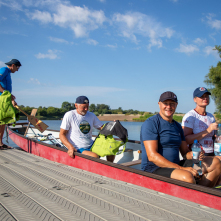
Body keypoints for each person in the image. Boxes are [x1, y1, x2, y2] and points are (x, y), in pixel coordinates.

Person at [140, 91, 221, 187]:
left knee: (215, 163)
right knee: (187, 176)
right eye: (165, 103)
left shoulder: (177, 126)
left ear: (176, 105)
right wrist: (181, 169)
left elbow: (185, 154)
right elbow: (152, 156)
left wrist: (195, 154)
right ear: (159, 104)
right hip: (154, 168)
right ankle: (196, 196)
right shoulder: (151, 123)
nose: (169, 107)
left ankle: (203, 195)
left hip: (176, 165)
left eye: (172, 104)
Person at [59, 96, 115, 162]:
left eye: (87, 107)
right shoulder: (69, 115)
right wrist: (70, 147)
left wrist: (112, 125)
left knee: (111, 148)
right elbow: (62, 134)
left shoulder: (91, 115)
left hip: (91, 145)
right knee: (95, 156)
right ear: (76, 105)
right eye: (84, 107)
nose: (86, 109)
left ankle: (109, 167)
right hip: (78, 147)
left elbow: (102, 128)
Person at [182, 87, 221, 160]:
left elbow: (214, 137)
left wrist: (218, 138)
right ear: (195, 99)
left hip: (213, 153)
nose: (205, 98)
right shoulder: (191, 116)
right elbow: (185, 140)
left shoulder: (211, 116)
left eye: (206, 96)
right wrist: (208, 130)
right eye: (202, 97)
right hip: (198, 155)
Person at [0, 59, 21, 149]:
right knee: (1, 120)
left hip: (6, 99)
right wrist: (6, 93)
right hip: (2, 98)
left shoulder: (8, 73)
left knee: (3, 121)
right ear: (13, 65)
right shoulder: (4, 70)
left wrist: (11, 99)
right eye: (17, 67)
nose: (17, 70)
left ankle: (0, 142)